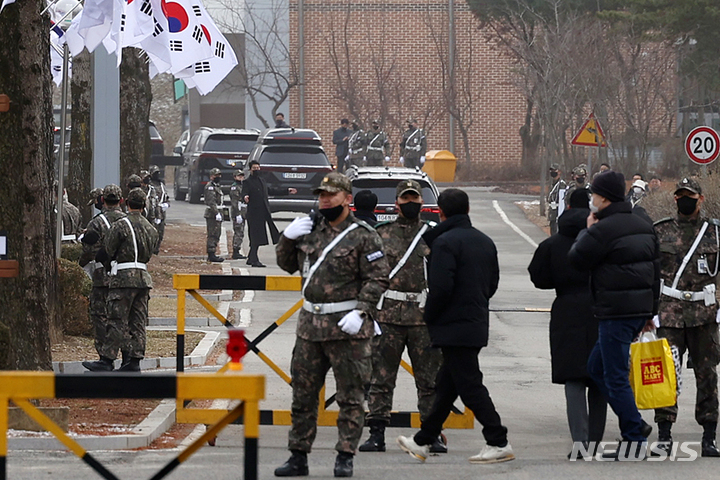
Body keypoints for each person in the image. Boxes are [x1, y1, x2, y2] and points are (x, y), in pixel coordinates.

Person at [274, 172, 390, 477]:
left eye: (331, 194)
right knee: (303, 395)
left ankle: (345, 454)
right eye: (321, 195)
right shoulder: (310, 230)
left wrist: (362, 311)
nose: (324, 200)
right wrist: (287, 238)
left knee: (351, 396)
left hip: (347, 328)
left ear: (347, 198)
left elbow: (378, 277)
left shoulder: (364, 235)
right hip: (310, 327)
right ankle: (298, 455)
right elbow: (287, 265)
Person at [397, 188, 515, 465]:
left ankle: (498, 440)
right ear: (469, 210)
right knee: (446, 385)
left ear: (440, 212)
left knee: (470, 385)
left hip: (452, 324)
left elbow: (440, 288)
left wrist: (431, 316)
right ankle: (423, 440)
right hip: (474, 320)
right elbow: (492, 285)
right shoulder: (485, 241)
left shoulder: (445, 243)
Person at [568, 171, 659, 460]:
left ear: (604, 198)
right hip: (637, 310)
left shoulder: (603, 228)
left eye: (594, 194)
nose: (591, 199)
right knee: (596, 368)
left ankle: (634, 436)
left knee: (614, 375)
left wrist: (587, 228)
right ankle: (635, 425)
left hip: (615, 311)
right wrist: (651, 311)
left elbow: (577, 259)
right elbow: (656, 271)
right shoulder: (643, 223)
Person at [360, 179, 445, 454]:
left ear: (422, 203)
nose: (411, 204)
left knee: (429, 380)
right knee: (381, 378)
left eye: (415, 200)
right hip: (388, 317)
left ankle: (431, 434)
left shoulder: (433, 234)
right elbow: (368, 272)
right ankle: (376, 432)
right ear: (397, 204)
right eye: (406, 200)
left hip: (423, 317)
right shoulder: (381, 234)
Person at [528, 189, 606, 456]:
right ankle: (596, 441)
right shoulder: (601, 239)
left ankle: (579, 441)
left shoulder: (553, 243)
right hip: (599, 308)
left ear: (567, 205)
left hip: (566, 310)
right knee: (599, 378)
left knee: (573, 379)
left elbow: (538, 277)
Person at [653, 177, 720, 457]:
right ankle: (665, 434)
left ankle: (708, 437)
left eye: (689, 195)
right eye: (680, 196)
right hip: (670, 313)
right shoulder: (661, 231)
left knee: (707, 375)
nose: (684, 200)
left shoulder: (714, 233)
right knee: (667, 374)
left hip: (704, 315)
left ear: (700, 199)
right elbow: (650, 271)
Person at [103, 187, 159, 372]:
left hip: (124, 278)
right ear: (144, 205)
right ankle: (134, 361)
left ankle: (107, 359)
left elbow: (108, 249)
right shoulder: (151, 229)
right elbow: (151, 252)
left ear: (126, 202)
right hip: (143, 278)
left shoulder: (121, 225)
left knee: (117, 318)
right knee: (138, 321)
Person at [80, 184, 127, 372]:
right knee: (122, 317)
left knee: (100, 315)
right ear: (121, 200)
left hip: (102, 275)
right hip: (124, 275)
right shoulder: (128, 220)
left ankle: (104, 357)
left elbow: (89, 250)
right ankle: (128, 356)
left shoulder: (97, 222)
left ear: (102, 200)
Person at [242, 160, 297, 268]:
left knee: (259, 235)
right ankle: (254, 259)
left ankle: (251, 257)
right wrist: (245, 197)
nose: (257, 170)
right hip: (253, 213)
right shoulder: (247, 182)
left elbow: (271, 190)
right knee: (255, 236)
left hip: (263, 212)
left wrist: (286, 191)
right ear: (250, 170)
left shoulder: (262, 180)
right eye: (254, 168)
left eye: (258, 168)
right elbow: (244, 192)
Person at [204, 168, 225, 263]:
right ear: (211, 176)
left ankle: (213, 252)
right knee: (212, 234)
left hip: (217, 212)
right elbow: (211, 202)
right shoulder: (210, 187)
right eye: (216, 175)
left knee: (217, 233)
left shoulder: (217, 186)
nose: (218, 177)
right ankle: (211, 254)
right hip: (212, 214)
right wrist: (216, 213)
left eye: (219, 175)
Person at [149, 165, 169, 254]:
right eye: (155, 173)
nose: (157, 175)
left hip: (162, 212)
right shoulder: (149, 186)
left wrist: (166, 204)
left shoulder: (162, 185)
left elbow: (166, 197)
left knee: (160, 233)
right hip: (153, 212)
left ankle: (156, 249)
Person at [229, 169, 247, 260]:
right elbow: (235, 202)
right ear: (235, 177)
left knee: (241, 232)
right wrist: (237, 214)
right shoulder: (235, 187)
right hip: (238, 212)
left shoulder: (242, 186)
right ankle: (235, 251)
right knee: (238, 232)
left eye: (242, 176)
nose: (241, 177)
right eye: (239, 176)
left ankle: (237, 249)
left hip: (243, 211)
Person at [547, 163, 567, 235]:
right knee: (552, 229)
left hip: (557, 211)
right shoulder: (552, 184)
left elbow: (562, 199)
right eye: (551, 170)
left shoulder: (561, 184)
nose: (552, 172)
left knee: (555, 231)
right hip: (552, 211)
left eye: (554, 170)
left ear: (559, 172)